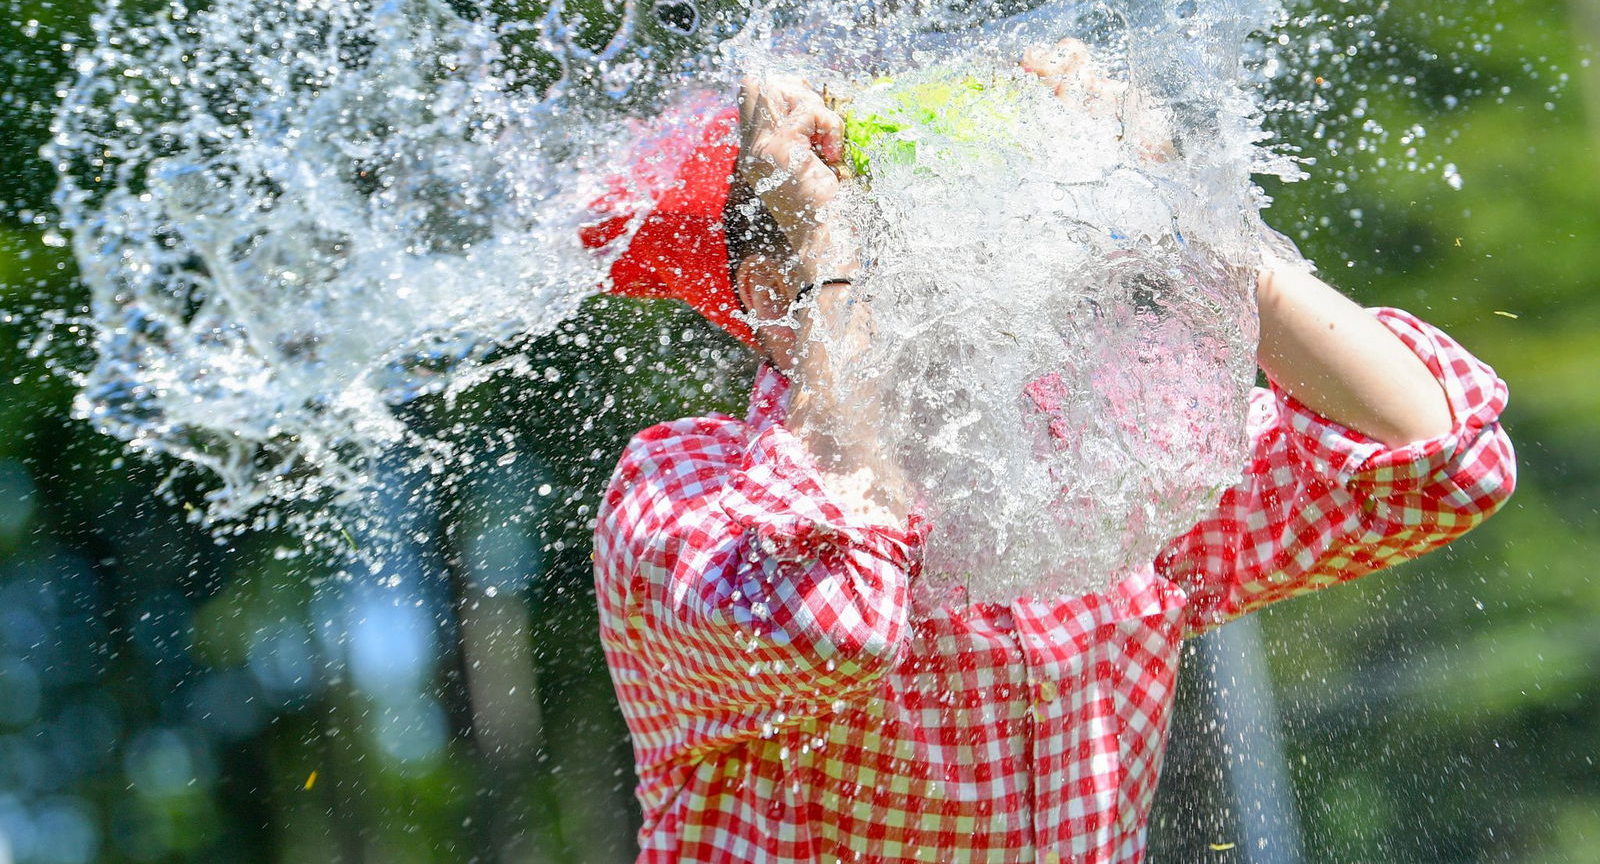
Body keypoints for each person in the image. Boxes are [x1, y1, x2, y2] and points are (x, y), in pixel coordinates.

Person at [583, 49, 1516, 864]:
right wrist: (829, 240)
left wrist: (1178, 212)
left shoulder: (1094, 462)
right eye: (881, 250)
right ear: (776, 300)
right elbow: (842, 622)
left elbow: (1436, 463)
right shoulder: (680, 497)